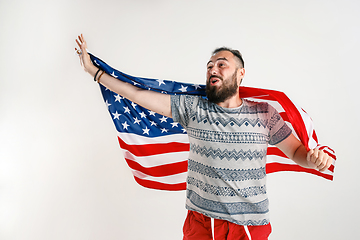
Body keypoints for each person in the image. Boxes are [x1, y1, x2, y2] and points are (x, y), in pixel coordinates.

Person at [75, 34, 333, 240]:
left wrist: (313, 160)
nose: (213, 69)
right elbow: (137, 95)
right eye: (210, 66)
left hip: (249, 228)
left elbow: (297, 152)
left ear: (240, 74)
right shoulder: (193, 109)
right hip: (201, 224)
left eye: (222, 64)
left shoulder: (265, 113)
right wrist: (94, 72)